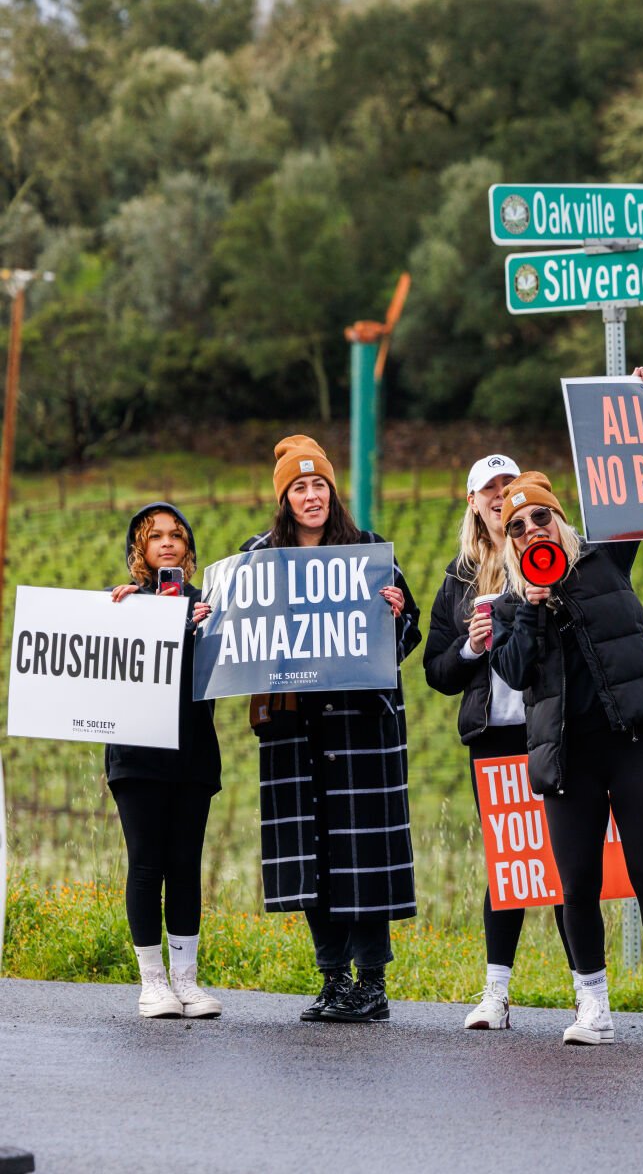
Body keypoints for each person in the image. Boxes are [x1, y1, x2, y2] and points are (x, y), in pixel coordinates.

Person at [487, 450, 643, 1049]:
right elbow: (518, 671)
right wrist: (529, 607)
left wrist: (641, 400)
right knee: (575, 885)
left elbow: (633, 495)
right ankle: (594, 1007)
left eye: (541, 520)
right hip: (569, 759)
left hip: (632, 745)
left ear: (560, 522)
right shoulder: (507, 608)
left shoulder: (605, 563)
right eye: (517, 527)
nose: (531, 531)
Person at [244, 436, 421, 1024]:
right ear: (284, 498)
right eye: (300, 487)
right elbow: (233, 632)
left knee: (362, 850)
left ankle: (372, 982)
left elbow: (409, 630)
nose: (312, 495)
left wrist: (395, 611)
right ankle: (333, 980)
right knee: (313, 853)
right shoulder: (258, 558)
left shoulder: (369, 551)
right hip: (296, 730)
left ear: (332, 491)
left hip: (360, 727)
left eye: (319, 484)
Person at [423, 453, 573, 1030]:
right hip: (493, 736)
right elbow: (438, 671)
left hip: (552, 729)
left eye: (509, 485)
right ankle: (496, 993)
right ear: (472, 501)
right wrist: (471, 647)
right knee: (509, 865)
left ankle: (587, 991)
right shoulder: (459, 577)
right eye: (489, 489)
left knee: (568, 861)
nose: (499, 494)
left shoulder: (553, 551)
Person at [105, 503, 223, 1020]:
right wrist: (115, 616)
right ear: (141, 549)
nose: (168, 543)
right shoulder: (123, 603)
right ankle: (151, 984)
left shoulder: (209, 606)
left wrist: (208, 631)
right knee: (147, 863)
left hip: (192, 755)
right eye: (156, 537)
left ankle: (187, 982)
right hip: (136, 755)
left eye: (176, 535)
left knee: (184, 866)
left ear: (188, 547)